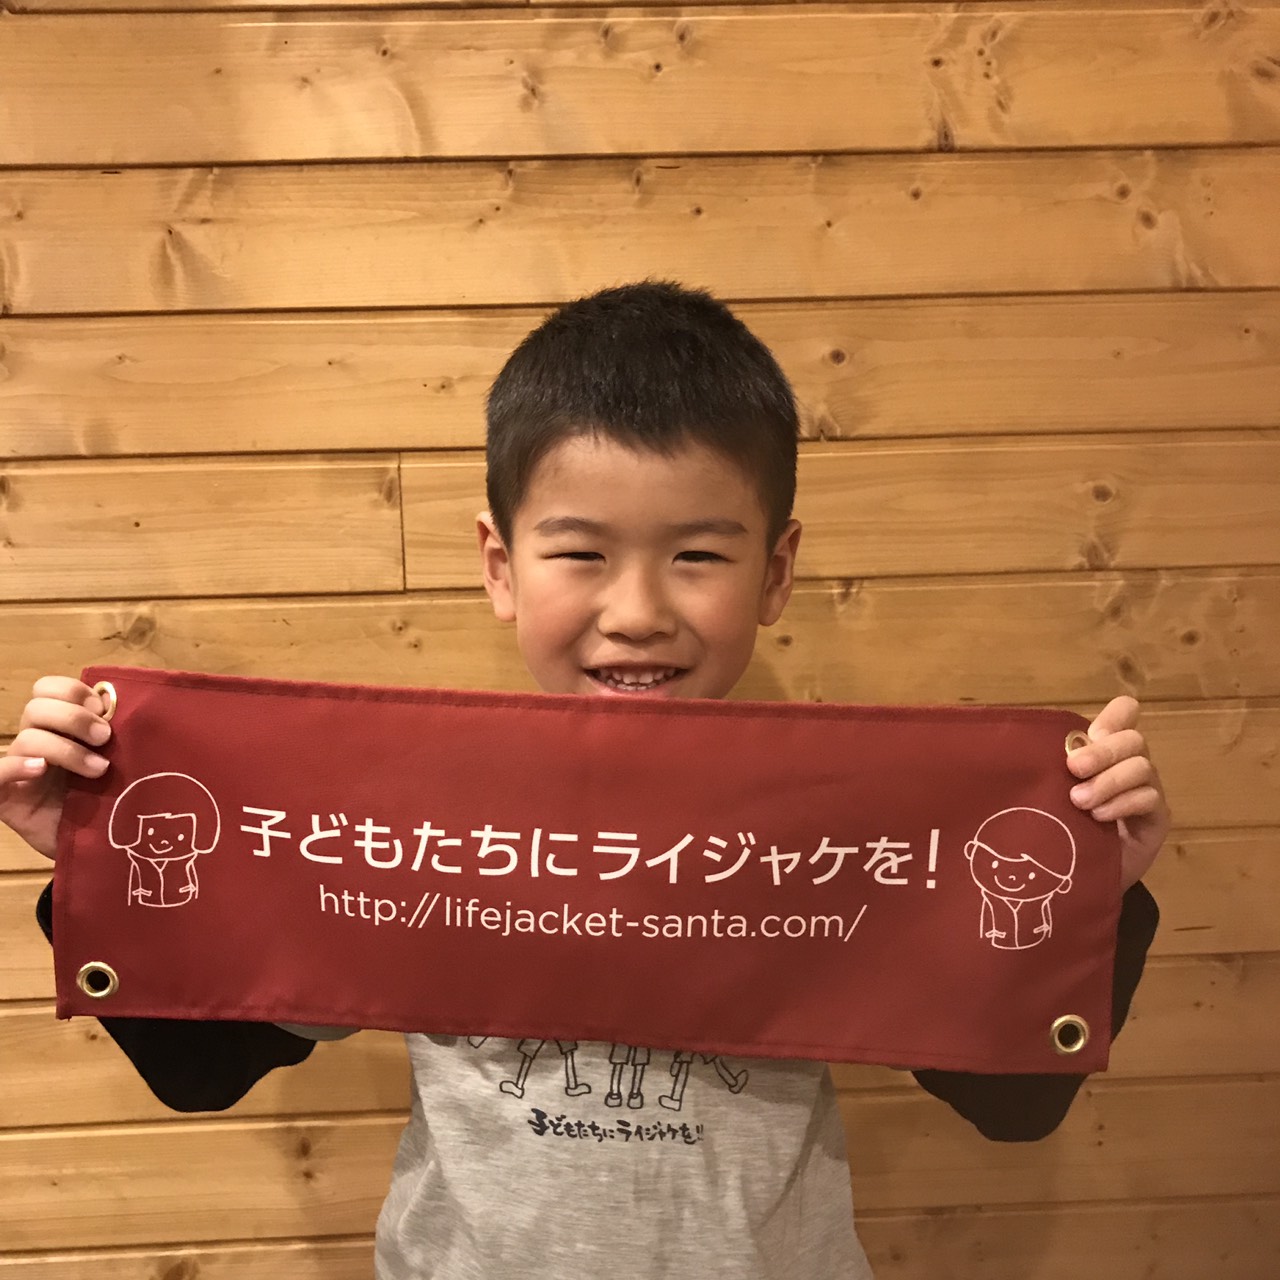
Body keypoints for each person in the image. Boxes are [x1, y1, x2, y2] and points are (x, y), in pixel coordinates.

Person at [1, 282, 1168, 1278]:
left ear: (774, 572)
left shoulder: (840, 827)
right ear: (501, 565)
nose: (636, 610)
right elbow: (203, 1067)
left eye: (697, 553)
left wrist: (1088, 894)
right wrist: (100, 859)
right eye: (579, 552)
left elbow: (1010, 1100)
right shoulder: (409, 820)